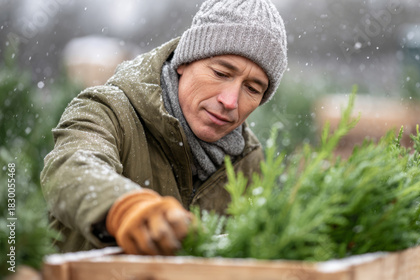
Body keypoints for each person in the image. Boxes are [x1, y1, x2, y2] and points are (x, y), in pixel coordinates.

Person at [41, 0, 287, 256]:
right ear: (184, 61)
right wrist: (125, 209)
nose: (230, 101)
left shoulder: (250, 163)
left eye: (252, 89)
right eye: (221, 73)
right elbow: (70, 169)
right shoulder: (108, 111)